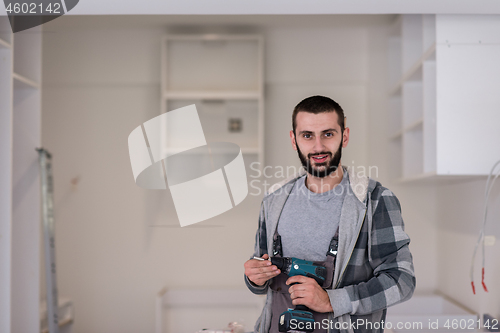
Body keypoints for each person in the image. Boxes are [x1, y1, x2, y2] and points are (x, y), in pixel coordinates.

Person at [244, 96, 415, 333]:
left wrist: (333, 300)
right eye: (307, 135)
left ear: (344, 136)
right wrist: (255, 277)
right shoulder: (274, 199)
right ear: (294, 139)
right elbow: (261, 276)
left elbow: (402, 280)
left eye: (328, 134)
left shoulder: (375, 200)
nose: (318, 147)